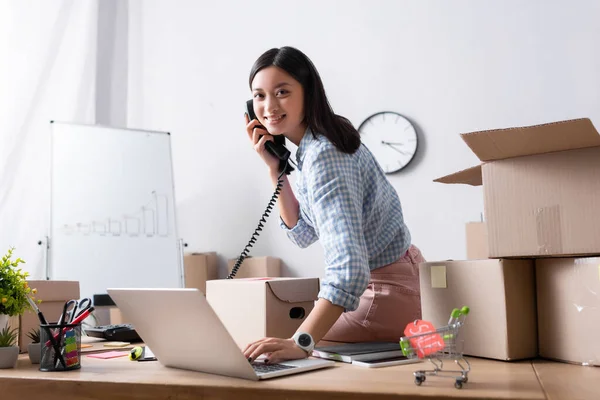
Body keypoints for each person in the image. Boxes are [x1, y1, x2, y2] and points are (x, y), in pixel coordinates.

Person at [242, 46, 424, 364]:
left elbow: (349, 271)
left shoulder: (324, 156)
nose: (268, 107)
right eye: (259, 96)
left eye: (282, 92)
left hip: (384, 291)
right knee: (274, 333)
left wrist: (301, 342)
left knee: (278, 340)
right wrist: (276, 169)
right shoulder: (313, 148)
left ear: (308, 93)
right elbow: (303, 235)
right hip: (391, 283)